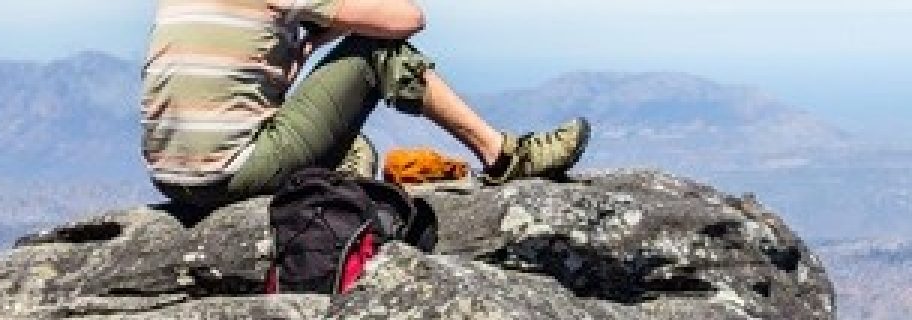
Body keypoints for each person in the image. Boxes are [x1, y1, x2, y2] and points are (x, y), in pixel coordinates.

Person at [141, 0, 589, 209]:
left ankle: (335, 169)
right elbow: (408, 19)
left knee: (353, 148)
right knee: (378, 53)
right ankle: (502, 155)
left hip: (170, 177)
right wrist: (333, 24)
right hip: (229, 174)